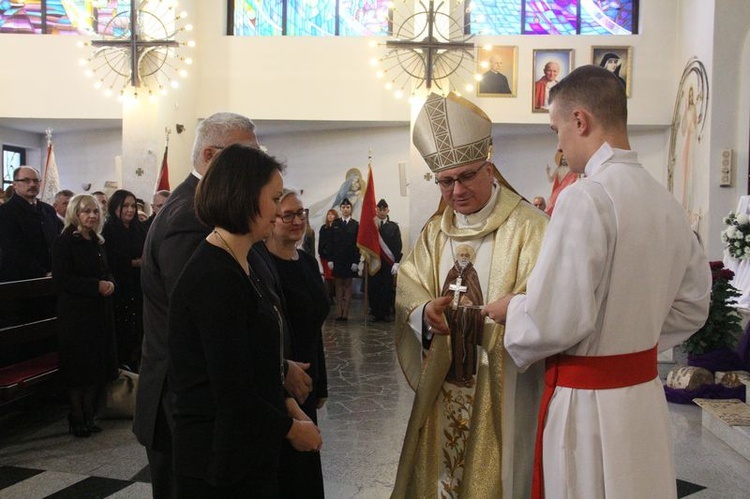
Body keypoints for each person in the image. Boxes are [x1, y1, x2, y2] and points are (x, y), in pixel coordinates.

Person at [482, 65, 712, 499]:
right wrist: (631, 337)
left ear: (580, 121)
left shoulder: (585, 196)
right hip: (642, 397)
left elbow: (554, 321)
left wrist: (511, 308)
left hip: (587, 405)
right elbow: (694, 305)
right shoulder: (666, 203)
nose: (559, 145)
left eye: (556, 130)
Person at [134, 112, 313, 499]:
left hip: (235, 421)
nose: (280, 210)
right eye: (274, 197)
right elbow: (214, 332)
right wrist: (283, 407)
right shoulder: (189, 220)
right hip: (203, 420)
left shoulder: (226, 234)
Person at [392, 92, 548, 498]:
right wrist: (424, 311)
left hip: (504, 383)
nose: (456, 190)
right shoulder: (434, 231)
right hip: (445, 382)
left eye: (466, 176)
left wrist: (510, 312)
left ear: (490, 168)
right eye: (445, 181)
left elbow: (550, 300)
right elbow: (409, 283)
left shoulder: (531, 228)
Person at [266, 188, 329, 498]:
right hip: (279, 380)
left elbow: (314, 325)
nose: (296, 220)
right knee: (285, 471)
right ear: (271, 220)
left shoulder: (305, 261)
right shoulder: (261, 264)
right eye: (287, 215)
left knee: (305, 470)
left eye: (300, 213)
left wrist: (322, 384)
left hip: (307, 378)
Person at [52, 193, 118, 438]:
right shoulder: (66, 241)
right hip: (76, 315)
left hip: (97, 313)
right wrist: (95, 286)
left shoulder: (96, 241)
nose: (91, 215)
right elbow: (61, 280)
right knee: (79, 368)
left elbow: (106, 270)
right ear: (75, 214)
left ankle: (89, 414)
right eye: (86, 211)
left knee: (94, 366)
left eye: (95, 211)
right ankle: (77, 415)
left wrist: (110, 282)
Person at [102, 189, 146, 371]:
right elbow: (113, 261)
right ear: (115, 208)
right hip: (120, 288)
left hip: (138, 286)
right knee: (123, 333)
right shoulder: (109, 230)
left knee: (138, 331)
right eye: (125, 206)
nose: (130, 210)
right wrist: (136, 262)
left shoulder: (138, 229)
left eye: (133, 206)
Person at [0, 166, 62, 282]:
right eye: (26, 180)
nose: (32, 184)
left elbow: (57, 241)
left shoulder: (48, 210)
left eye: (36, 181)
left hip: (52, 276)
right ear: (15, 184)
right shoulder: (6, 212)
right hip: (21, 279)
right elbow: (14, 250)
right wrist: (42, 273)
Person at [367, 198, 402, 322]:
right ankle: (376, 312)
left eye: (384, 209)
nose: (382, 212)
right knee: (374, 287)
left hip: (388, 263)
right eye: (379, 209)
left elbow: (398, 245)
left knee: (386, 287)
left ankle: (386, 312)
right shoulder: (371, 226)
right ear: (376, 210)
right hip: (374, 261)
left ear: (388, 211)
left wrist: (397, 262)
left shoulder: (393, 227)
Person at [329, 198, 359, 321]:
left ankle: (345, 313)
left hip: (350, 260)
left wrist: (356, 261)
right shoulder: (335, 223)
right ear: (340, 209)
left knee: (347, 285)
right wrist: (330, 259)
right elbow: (331, 242)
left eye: (347, 207)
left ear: (350, 209)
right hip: (337, 259)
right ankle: (338, 311)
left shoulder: (355, 224)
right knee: (338, 285)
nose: (345, 209)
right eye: (343, 207)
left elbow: (357, 244)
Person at [544, 151, 579, 216]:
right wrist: (547, 172)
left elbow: (575, 181)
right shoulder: (558, 169)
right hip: (557, 192)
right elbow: (551, 179)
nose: (564, 161)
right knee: (553, 207)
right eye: (562, 159)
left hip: (567, 192)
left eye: (565, 159)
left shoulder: (572, 170)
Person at [318, 208, 338, 298]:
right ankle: (328, 296)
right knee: (327, 276)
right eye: (328, 214)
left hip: (335, 256)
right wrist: (321, 252)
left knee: (334, 277)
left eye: (332, 214)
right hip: (325, 256)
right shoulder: (324, 228)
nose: (330, 216)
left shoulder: (337, 228)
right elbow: (321, 242)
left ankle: (333, 294)